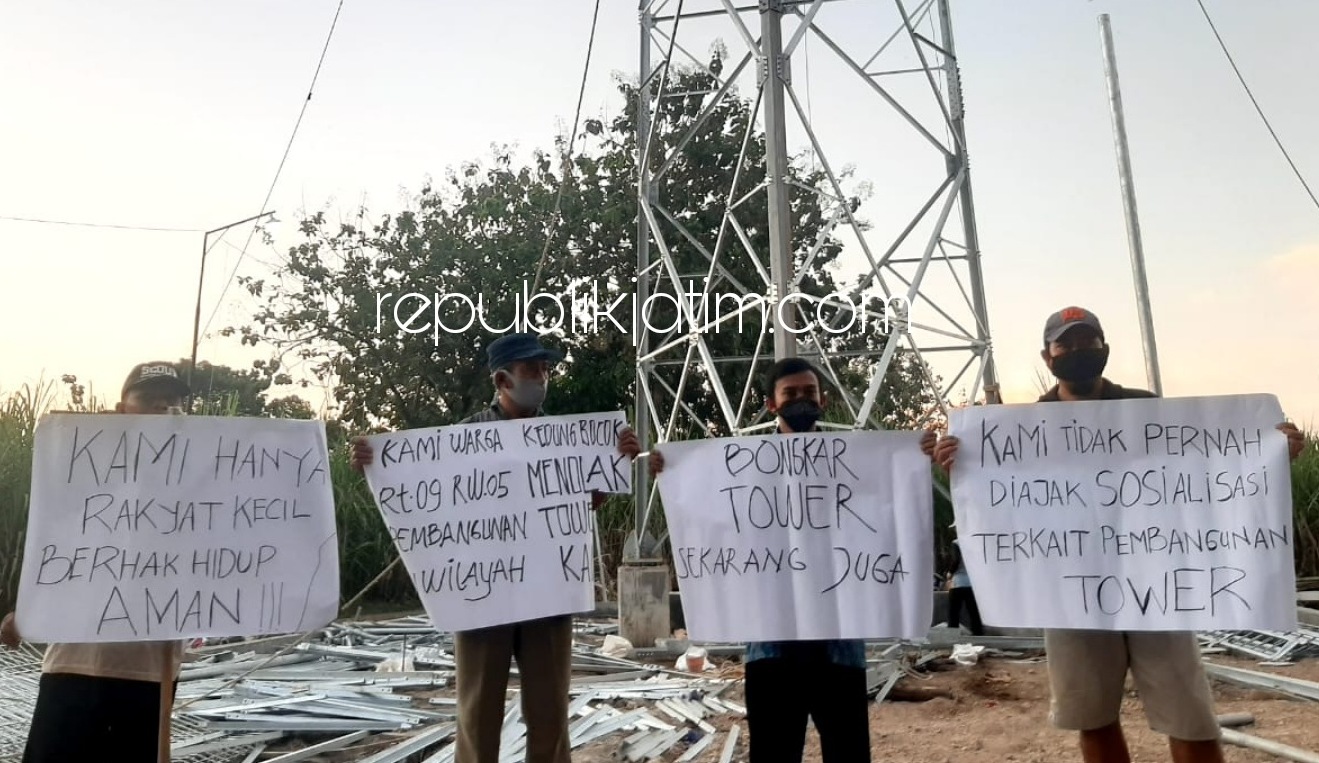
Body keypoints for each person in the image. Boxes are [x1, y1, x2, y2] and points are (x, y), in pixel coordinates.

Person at [928, 306, 1306, 763]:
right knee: (1093, 718)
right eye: (1065, 343)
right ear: (1048, 356)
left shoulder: (1145, 407)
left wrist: (1270, 454)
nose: (1077, 350)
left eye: (1087, 341)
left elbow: (1207, 471)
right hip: (1073, 595)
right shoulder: (1023, 425)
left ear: (1104, 347)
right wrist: (958, 465)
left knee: (1190, 716)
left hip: (1157, 585)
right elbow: (997, 503)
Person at [627, 357, 935, 763]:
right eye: (790, 394)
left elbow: (891, 506)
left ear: (823, 399)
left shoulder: (859, 463)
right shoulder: (740, 467)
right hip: (771, 644)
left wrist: (920, 457)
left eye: (809, 392)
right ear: (771, 404)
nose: (801, 400)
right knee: (774, 752)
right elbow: (710, 519)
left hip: (838, 643)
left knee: (849, 752)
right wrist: (674, 473)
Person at [352, 332, 632, 763]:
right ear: (502, 380)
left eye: (545, 368)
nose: (542, 376)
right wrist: (377, 463)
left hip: (547, 592)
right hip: (483, 594)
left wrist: (615, 463)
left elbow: (582, 506)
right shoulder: (463, 437)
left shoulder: (566, 438)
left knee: (550, 710)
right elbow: (426, 500)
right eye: (531, 369)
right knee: (478, 710)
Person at [0, 361, 193, 762]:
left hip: (150, 673)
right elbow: (57, 549)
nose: (163, 408)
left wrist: (364, 465)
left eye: (173, 402)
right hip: (73, 664)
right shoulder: (80, 469)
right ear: (122, 409)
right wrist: (30, 612)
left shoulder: (207, 478)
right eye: (149, 399)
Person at [945, 536, 984, 636]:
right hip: (972, 583)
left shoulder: (956, 542)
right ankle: (978, 635)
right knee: (974, 612)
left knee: (953, 613)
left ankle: (952, 636)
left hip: (957, 582)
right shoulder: (974, 541)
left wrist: (950, 572)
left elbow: (956, 559)